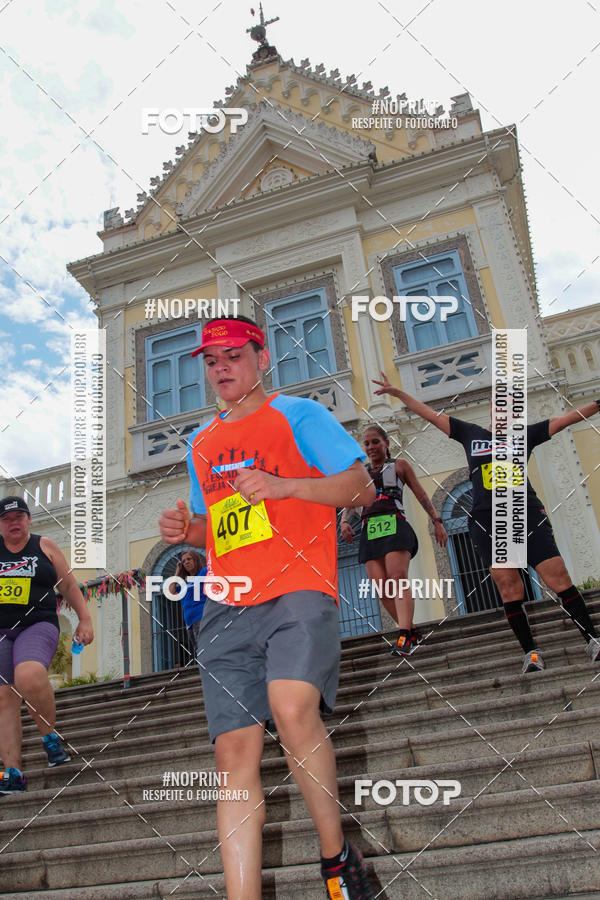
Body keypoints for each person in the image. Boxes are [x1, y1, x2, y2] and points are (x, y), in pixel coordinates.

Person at [159, 315, 376, 900]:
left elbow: (361, 488)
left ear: (262, 359)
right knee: (232, 753)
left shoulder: (299, 415)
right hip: (227, 604)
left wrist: (287, 486)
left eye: (232, 356)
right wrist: (190, 529)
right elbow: (226, 530)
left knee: (291, 707)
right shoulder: (201, 444)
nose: (220, 368)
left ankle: (336, 859)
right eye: (210, 361)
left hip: (298, 588)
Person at [373, 373, 600, 673]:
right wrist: (399, 394)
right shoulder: (471, 434)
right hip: (487, 521)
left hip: (525, 514)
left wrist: (597, 403)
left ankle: (592, 639)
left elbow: (566, 419)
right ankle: (531, 653)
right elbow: (431, 414)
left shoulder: (525, 436)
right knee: (509, 587)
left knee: (556, 576)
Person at [0, 496, 94, 794]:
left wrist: (85, 619)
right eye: (6, 519)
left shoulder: (45, 546)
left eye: (19, 517)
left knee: (28, 675)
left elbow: (67, 585)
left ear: (29, 520)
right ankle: (13, 772)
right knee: (3, 697)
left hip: (37, 624)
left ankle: (49, 737)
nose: (13, 523)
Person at [340, 424, 448, 655]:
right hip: (370, 529)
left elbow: (420, 493)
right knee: (381, 587)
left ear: (386, 443)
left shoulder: (399, 465)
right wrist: (344, 521)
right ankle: (410, 631)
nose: (370, 447)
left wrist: (437, 520)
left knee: (397, 577)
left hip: (394, 523)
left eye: (375, 442)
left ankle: (403, 635)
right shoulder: (362, 472)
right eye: (366, 443)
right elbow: (351, 499)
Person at [174, 550, 207, 659]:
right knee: (199, 654)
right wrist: (178, 571)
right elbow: (171, 590)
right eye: (183, 561)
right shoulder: (184, 583)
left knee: (205, 650)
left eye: (189, 559)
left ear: (196, 560)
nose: (186, 562)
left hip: (201, 618)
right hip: (189, 624)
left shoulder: (203, 572)